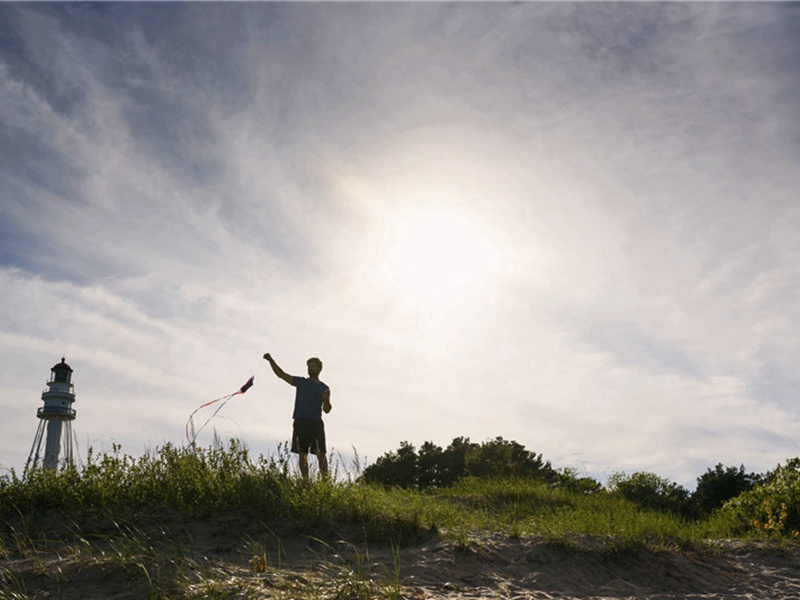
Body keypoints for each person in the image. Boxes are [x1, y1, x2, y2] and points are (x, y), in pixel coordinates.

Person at [263, 353, 332, 481]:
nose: (310, 369)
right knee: (302, 454)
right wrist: (271, 360)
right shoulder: (301, 382)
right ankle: (306, 482)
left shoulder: (324, 388)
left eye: (313, 366)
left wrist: (327, 399)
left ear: (319, 369)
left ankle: (325, 483)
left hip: (316, 423)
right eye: (309, 366)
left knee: (321, 454)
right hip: (300, 421)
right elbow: (281, 375)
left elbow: (327, 410)